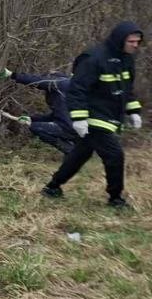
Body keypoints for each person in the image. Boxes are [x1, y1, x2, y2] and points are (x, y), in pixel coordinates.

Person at [42, 22, 142, 207]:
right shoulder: (94, 59)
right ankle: (115, 198)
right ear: (121, 40)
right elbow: (77, 89)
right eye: (132, 41)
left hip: (109, 115)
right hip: (93, 116)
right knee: (115, 155)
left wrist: (133, 110)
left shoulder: (126, 59)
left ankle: (53, 187)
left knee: (80, 154)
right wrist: (79, 118)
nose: (135, 45)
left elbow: (127, 89)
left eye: (138, 42)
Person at [0, 68, 76, 156]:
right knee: (35, 124)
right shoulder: (68, 90)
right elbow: (57, 116)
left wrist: (12, 75)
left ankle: (72, 151)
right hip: (79, 129)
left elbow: (37, 81)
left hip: (69, 128)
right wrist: (32, 119)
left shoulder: (60, 84)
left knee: (35, 127)